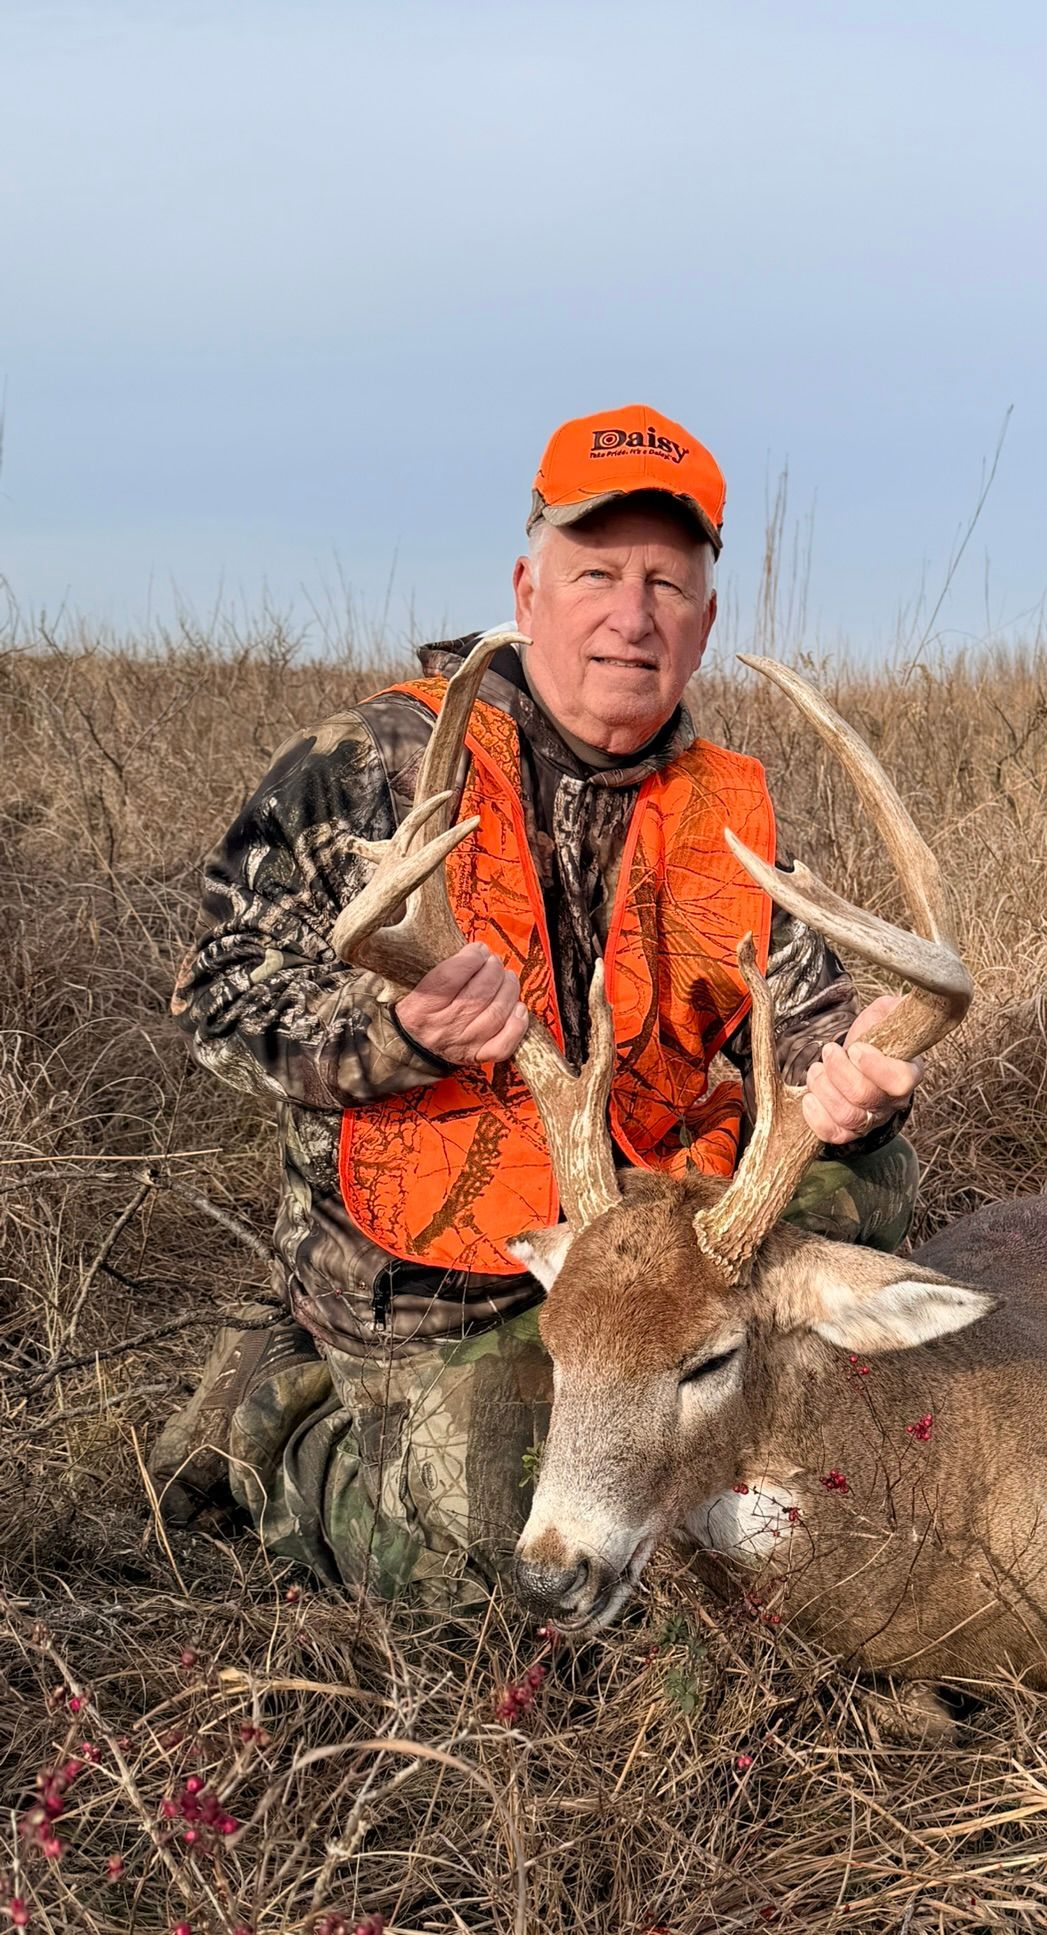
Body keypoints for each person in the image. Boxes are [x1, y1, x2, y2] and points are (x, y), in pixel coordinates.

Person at [149, 405, 923, 1607]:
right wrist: (390, 1039)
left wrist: (854, 1071)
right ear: (528, 583)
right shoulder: (367, 768)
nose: (633, 613)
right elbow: (220, 992)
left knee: (871, 1179)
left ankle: (705, 1436)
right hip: (436, 1275)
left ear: (706, 621)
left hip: (635, 1243)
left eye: (669, 582)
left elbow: (806, 1007)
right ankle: (279, 1420)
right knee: (498, 1545)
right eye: (598, 572)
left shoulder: (724, 811)